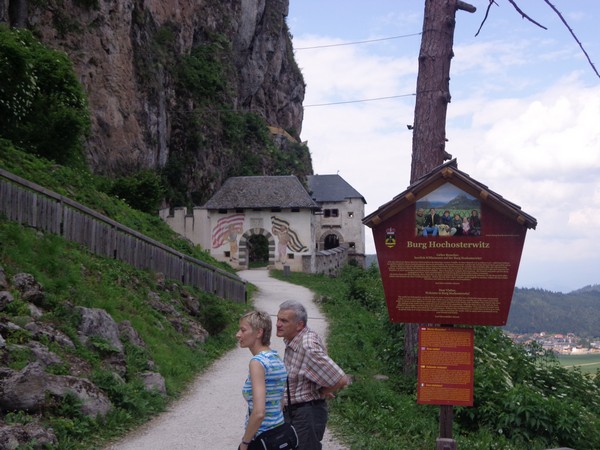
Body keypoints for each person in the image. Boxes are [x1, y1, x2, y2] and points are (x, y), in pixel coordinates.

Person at [276, 300, 349, 450]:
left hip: (306, 415)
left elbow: (341, 379)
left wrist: (323, 391)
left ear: (299, 325)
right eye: (278, 319)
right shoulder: (293, 339)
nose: (278, 324)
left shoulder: (307, 345)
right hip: (295, 412)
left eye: (284, 321)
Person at [237, 310, 288, 450]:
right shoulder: (275, 357)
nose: (238, 334)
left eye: (243, 330)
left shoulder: (257, 363)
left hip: (261, 438)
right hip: (278, 434)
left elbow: (259, 413)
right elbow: (280, 402)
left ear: (259, 332)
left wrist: (245, 443)